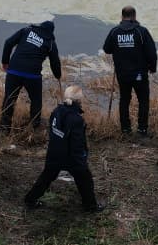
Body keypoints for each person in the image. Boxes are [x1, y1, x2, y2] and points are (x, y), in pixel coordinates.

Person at [24, 85, 103, 213]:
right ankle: (90, 206)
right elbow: (77, 143)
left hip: (54, 152)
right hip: (70, 156)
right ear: (79, 101)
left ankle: (30, 199)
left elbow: (53, 132)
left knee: (46, 177)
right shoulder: (76, 119)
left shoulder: (56, 111)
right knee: (85, 178)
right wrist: (82, 159)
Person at [101, 5, 158, 137]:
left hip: (122, 74)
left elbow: (107, 49)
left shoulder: (114, 32)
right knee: (143, 100)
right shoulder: (141, 31)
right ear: (134, 16)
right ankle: (142, 130)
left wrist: (120, 48)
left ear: (122, 16)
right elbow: (151, 52)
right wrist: (152, 68)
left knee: (124, 99)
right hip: (139, 74)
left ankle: (125, 129)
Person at [0, 20, 62, 131]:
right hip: (32, 76)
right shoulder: (51, 42)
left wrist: (5, 62)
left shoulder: (26, 30)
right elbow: (55, 62)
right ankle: (34, 126)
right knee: (36, 100)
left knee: (9, 99)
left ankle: (5, 127)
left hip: (14, 71)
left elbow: (8, 42)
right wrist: (58, 76)